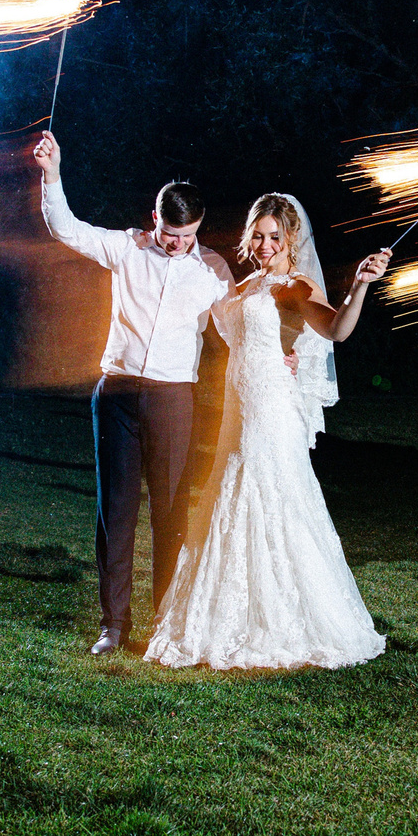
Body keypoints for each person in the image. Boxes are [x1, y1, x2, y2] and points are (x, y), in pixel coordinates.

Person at [146, 195, 391, 669]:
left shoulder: (293, 286)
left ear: (291, 238)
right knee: (230, 495)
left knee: (268, 496)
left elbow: (336, 330)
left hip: (270, 410)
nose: (263, 244)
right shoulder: (250, 282)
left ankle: (281, 621)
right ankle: (228, 617)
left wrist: (359, 286)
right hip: (239, 409)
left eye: (274, 236)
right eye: (257, 234)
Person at [30, 131, 234, 653]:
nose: (176, 243)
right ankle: (113, 626)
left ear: (198, 228)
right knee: (115, 512)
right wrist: (52, 173)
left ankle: (165, 624)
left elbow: (236, 325)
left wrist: (280, 350)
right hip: (117, 393)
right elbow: (67, 229)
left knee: (171, 512)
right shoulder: (127, 248)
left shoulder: (212, 271)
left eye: (186, 234)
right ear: (155, 218)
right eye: (169, 232)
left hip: (173, 398)